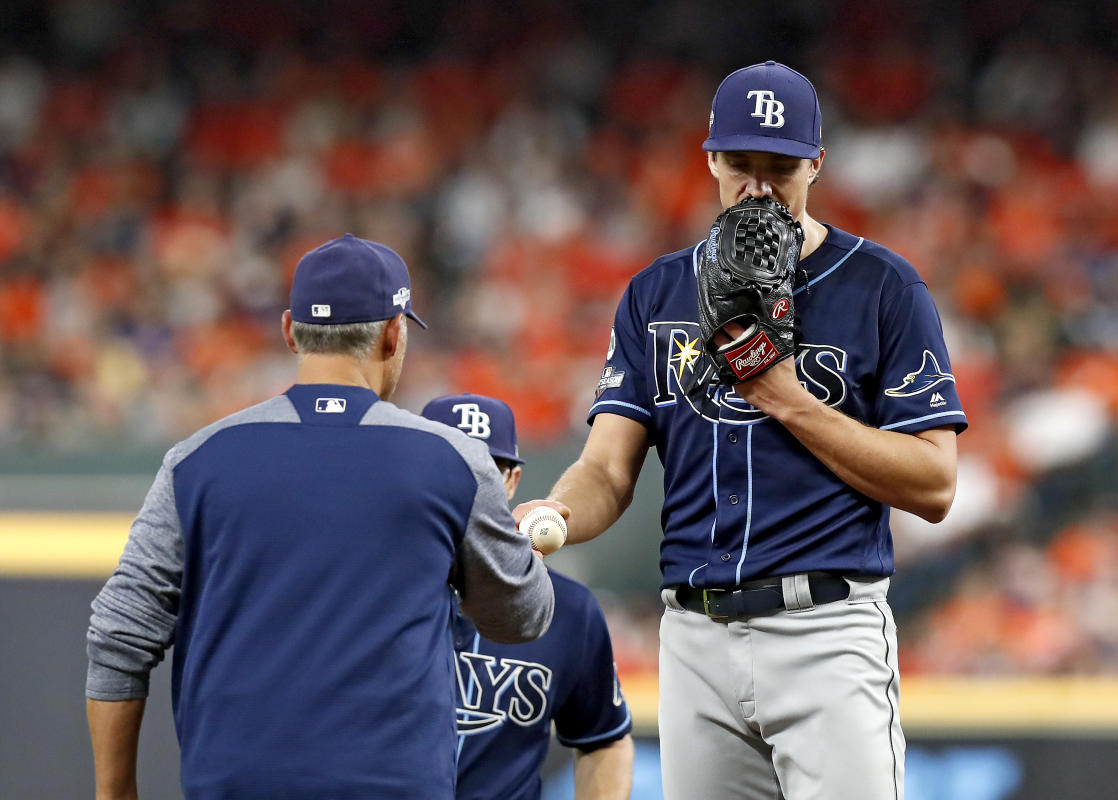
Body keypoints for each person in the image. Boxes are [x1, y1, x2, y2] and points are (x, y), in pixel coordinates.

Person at [515, 62, 968, 800]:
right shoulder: (655, 294)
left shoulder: (882, 287)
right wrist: (556, 511)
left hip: (826, 629)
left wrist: (788, 401)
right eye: (741, 165)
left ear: (817, 164)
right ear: (711, 159)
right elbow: (606, 470)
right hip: (695, 638)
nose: (759, 187)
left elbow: (935, 483)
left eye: (781, 167)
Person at [85, 234, 554, 800]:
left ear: (290, 330)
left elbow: (117, 636)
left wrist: (115, 794)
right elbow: (519, 619)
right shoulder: (453, 461)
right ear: (392, 333)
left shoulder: (196, 460)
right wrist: (519, 542)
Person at [420, 393, 634, 800]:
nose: (468, 488)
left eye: (486, 472)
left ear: (513, 481)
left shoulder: (566, 608)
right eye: (449, 467)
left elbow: (604, 738)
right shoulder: (369, 594)